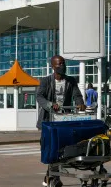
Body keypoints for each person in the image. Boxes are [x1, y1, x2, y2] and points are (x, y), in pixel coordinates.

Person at [36, 55, 86, 187]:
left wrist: (80, 103)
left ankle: (52, 176)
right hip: (49, 120)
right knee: (51, 147)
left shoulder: (71, 81)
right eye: (59, 64)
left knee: (62, 148)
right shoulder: (46, 81)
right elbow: (39, 96)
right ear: (53, 67)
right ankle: (53, 176)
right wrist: (50, 104)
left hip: (65, 119)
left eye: (63, 63)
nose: (62, 66)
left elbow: (77, 95)